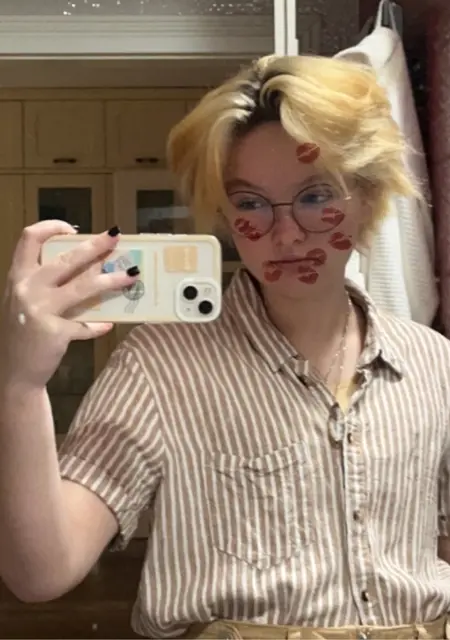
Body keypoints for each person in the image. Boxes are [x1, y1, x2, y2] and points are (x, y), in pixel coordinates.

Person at [1, 54, 450, 640]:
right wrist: (20, 382)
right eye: (251, 203)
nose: (285, 233)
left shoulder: (434, 363)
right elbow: (41, 572)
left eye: (316, 196)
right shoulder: (159, 368)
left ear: (367, 197)